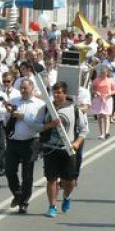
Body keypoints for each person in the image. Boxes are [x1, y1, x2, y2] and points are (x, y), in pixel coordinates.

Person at [39, 81, 87, 218]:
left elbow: (84, 129)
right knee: (51, 179)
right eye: (54, 92)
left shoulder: (74, 109)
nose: (56, 95)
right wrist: (50, 125)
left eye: (59, 92)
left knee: (69, 180)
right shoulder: (46, 108)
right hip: (50, 148)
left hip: (68, 148)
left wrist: (77, 143)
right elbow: (37, 127)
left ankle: (66, 196)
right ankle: (52, 206)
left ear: (65, 93)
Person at [4, 78, 46, 214]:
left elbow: (39, 126)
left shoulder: (39, 105)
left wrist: (23, 117)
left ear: (32, 89)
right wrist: (9, 113)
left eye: (25, 88)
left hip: (30, 142)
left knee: (27, 175)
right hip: (14, 141)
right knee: (9, 170)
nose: (23, 90)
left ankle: (24, 202)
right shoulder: (14, 101)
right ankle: (17, 193)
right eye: (21, 88)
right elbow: (5, 119)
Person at [91, 65, 115, 139]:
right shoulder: (96, 80)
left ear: (107, 73)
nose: (103, 74)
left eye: (105, 73)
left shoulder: (110, 80)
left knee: (107, 115)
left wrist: (109, 93)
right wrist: (96, 92)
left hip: (107, 99)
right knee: (100, 115)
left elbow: (114, 91)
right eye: (102, 73)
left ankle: (107, 132)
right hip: (99, 99)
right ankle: (102, 133)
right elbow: (92, 90)